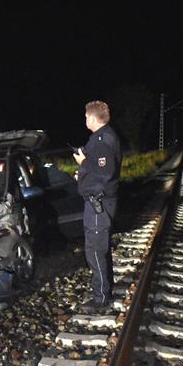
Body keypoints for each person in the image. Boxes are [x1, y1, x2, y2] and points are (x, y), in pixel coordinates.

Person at [73, 100, 122, 313]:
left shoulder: (102, 140)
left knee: (94, 250)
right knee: (101, 248)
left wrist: (83, 163)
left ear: (93, 117)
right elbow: (98, 172)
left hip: (98, 204)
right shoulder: (103, 137)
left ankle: (101, 298)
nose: (85, 119)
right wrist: (82, 174)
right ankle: (105, 290)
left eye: (85, 116)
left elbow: (104, 174)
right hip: (99, 202)